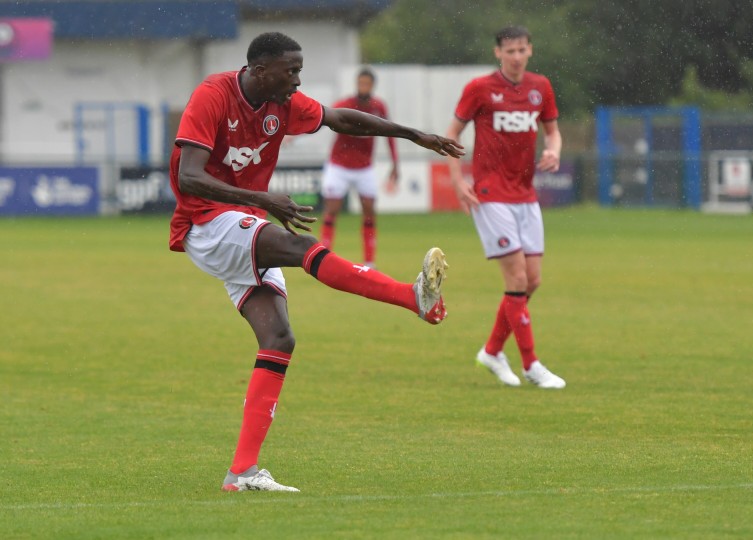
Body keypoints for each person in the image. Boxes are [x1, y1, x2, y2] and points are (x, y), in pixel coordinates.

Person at [169, 32, 463, 492]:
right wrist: (262, 198)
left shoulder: (283, 104)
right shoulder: (213, 95)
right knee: (295, 247)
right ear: (260, 69)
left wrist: (411, 133)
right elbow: (189, 176)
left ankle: (241, 473)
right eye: (291, 70)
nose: (297, 80)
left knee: (279, 338)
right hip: (204, 224)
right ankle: (412, 298)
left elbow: (341, 119)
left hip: (240, 224)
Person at [445, 26, 565, 389]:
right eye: (509, 50)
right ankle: (531, 365)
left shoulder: (540, 87)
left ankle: (492, 351)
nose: (516, 56)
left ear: (530, 51)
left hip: (525, 195)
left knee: (532, 281)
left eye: (522, 50)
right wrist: (457, 182)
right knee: (515, 279)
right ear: (498, 53)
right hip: (489, 193)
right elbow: (451, 135)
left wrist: (553, 151)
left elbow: (553, 131)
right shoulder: (480, 88)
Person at [320, 67, 399, 268]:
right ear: (357, 84)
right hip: (339, 165)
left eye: (367, 84)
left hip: (364, 167)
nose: (364, 87)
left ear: (373, 85)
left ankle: (369, 262)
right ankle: (323, 257)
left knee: (369, 211)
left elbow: (389, 134)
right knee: (332, 209)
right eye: (361, 83)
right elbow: (321, 117)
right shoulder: (345, 104)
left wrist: (395, 163)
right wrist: (295, 133)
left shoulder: (378, 106)